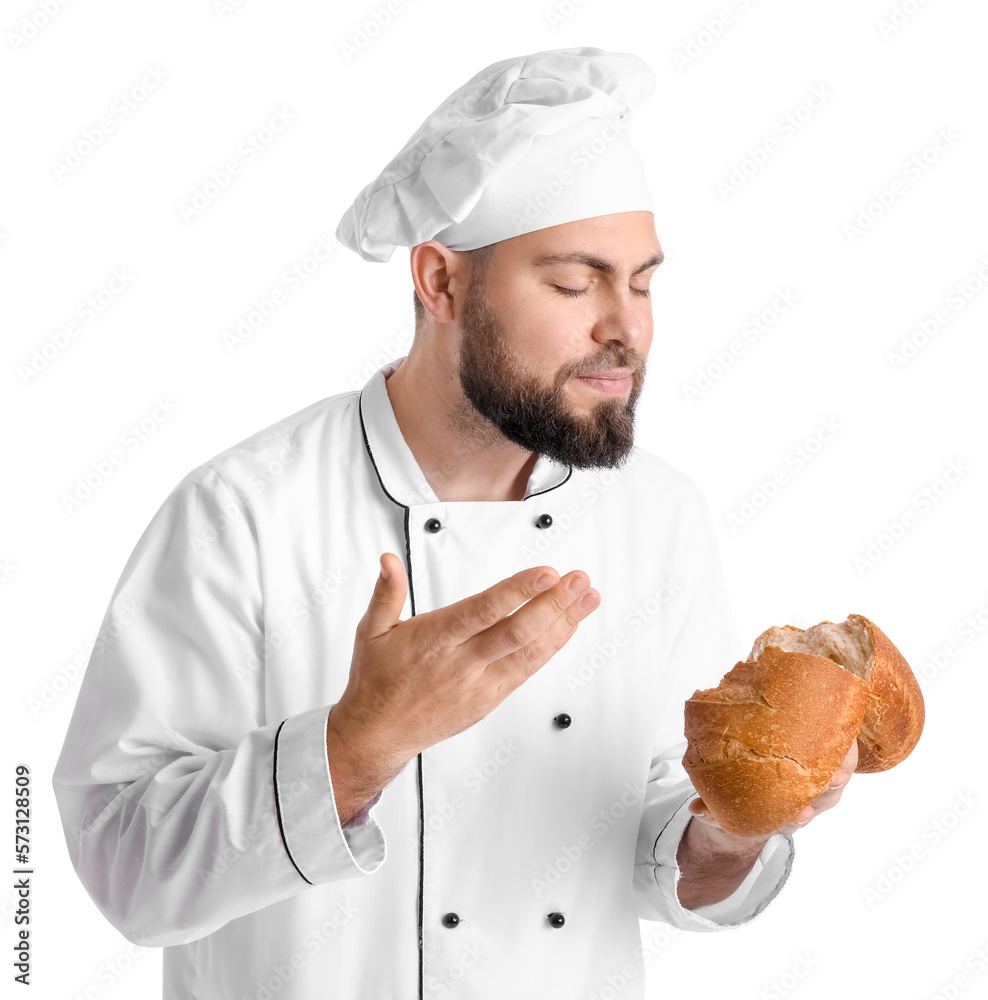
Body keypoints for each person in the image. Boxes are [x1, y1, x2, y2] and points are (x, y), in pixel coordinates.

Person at [52, 46, 856, 999]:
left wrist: (731, 826)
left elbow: (653, 843)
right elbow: (122, 870)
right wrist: (354, 747)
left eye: (641, 282)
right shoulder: (246, 513)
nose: (627, 330)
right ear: (438, 282)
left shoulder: (659, 516)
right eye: (574, 283)